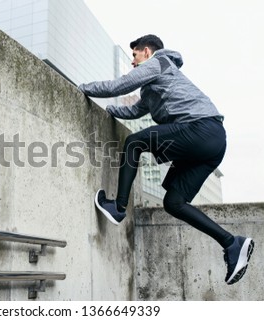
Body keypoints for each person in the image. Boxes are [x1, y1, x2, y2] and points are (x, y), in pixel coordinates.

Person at [78, 34, 254, 285]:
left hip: (201, 129)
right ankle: (231, 243)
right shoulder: (153, 87)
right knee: (174, 202)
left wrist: (83, 88)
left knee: (134, 142)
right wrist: (111, 111)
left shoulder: (159, 63)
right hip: (213, 143)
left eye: (135, 56)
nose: (133, 62)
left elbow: (119, 86)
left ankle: (118, 207)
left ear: (147, 51)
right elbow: (134, 110)